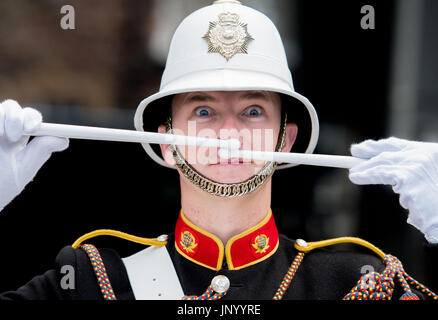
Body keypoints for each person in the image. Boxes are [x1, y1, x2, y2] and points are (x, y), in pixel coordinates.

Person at [0, 0, 437, 300]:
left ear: (285, 141)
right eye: (204, 110)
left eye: (251, 110)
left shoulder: (356, 284)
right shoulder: (91, 283)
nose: (229, 133)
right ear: (164, 142)